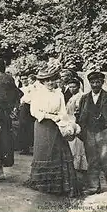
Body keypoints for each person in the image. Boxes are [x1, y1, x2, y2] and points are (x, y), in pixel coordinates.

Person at [24, 62, 79, 197]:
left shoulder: (58, 93)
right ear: (43, 81)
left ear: (56, 80)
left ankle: (60, 185)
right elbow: (34, 111)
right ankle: (43, 183)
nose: (49, 82)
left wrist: (64, 122)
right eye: (46, 80)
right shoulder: (38, 93)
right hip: (43, 126)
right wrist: (49, 116)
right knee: (44, 153)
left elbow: (63, 111)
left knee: (58, 152)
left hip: (56, 126)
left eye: (52, 79)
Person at [75, 71, 107, 200]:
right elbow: (79, 116)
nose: (95, 85)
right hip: (89, 133)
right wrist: (82, 132)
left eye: (98, 82)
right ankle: (93, 187)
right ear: (89, 83)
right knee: (92, 161)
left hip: (105, 132)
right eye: (92, 82)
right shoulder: (84, 98)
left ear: (102, 83)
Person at [0, 57, 23, 181]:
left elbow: (1, 99)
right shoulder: (5, 79)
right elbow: (19, 94)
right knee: (0, 142)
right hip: (0, 115)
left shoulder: (1, 80)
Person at [65, 78, 88, 182]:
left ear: (78, 87)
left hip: (76, 122)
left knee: (78, 146)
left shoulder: (81, 97)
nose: (71, 89)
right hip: (70, 121)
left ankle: (80, 169)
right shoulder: (72, 97)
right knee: (72, 145)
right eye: (69, 87)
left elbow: (79, 112)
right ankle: (74, 168)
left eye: (73, 87)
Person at [17, 74, 36, 155]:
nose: (24, 80)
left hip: (30, 108)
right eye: (22, 79)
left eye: (26, 79)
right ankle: (24, 148)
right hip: (22, 110)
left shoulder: (32, 88)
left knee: (30, 128)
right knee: (23, 127)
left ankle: (32, 147)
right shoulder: (20, 89)